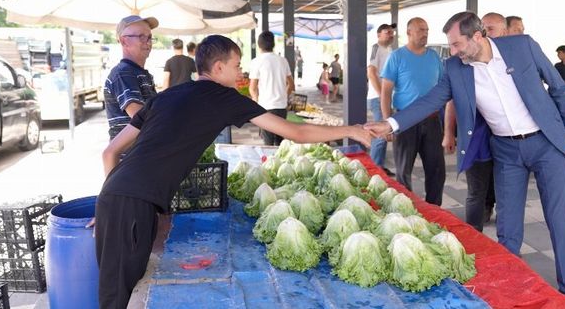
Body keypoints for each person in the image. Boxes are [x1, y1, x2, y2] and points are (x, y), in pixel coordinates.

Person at [93, 35, 371, 309]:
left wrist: (109, 203)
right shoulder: (223, 97)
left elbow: (110, 152)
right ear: (218, 68)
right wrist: (350, 130)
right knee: (117, 299)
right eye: (237, 65)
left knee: (121, 291)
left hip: (117, 196)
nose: (241, 73)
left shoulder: (165, 96)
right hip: (131, 203)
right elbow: (296, 131)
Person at [365, 11, 565, 295]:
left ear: (477, 36)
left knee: (558, 220)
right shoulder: (455, 67)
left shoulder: (523, 46)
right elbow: (430, 100)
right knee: (508, 228)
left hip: (545, 143)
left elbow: (557, 86)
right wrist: (390, 122)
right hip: (506, 151)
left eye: (456, 44)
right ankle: (510, 290)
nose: (451, 51)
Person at [443, 11, 506, 231]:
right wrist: (448, 133)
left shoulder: (510, 62)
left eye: (492, 29)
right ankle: (474, 236)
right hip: (477, 140)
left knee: (505, 190)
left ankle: (507, 243)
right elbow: (448, 99)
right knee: (476, 191)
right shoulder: (462, 64)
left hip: (507, 141)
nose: (487, 32)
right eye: (484, 28)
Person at [380, 17, 445, 205]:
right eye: (420, 30)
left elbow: (443, 87)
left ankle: (435, 209)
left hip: (432, 121)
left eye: (426, 30)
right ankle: (406, 209)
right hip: (404, 121)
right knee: (403, 171)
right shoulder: (397, 57)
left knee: (436, 170)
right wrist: (387, 123)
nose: (425, 33)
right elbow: (386, 92)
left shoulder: (434, 57)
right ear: (409, 33)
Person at [103, 15, 159, 140]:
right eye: (141, 36)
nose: (148, 42)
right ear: (124, 41)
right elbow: (140, 117)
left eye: (149, 37)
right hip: (132, 157)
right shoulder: (123, 73)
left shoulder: (141, 74)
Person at [249, 31, 295, 146]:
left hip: (266, 108)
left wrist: (256, 101)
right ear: (273, 44)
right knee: (280, 144)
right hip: (281, 108)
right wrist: (284, 96)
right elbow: (291, 85)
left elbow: (253, 88)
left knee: (268, 144)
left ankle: (269, 163)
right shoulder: (283, 60)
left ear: (259, 45)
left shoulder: (256, 62)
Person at [367, 23, 396, 176]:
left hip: (386, 98)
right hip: (377, 98)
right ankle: (374, 170)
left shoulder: (389, 50)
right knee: (381, 134)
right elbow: (371, 73)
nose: (391, 35)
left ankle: (379, 166)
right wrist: (382, 95)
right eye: (387, 32)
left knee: (386, 133)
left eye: (392, 32)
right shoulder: (376, 48)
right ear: (379, 35)